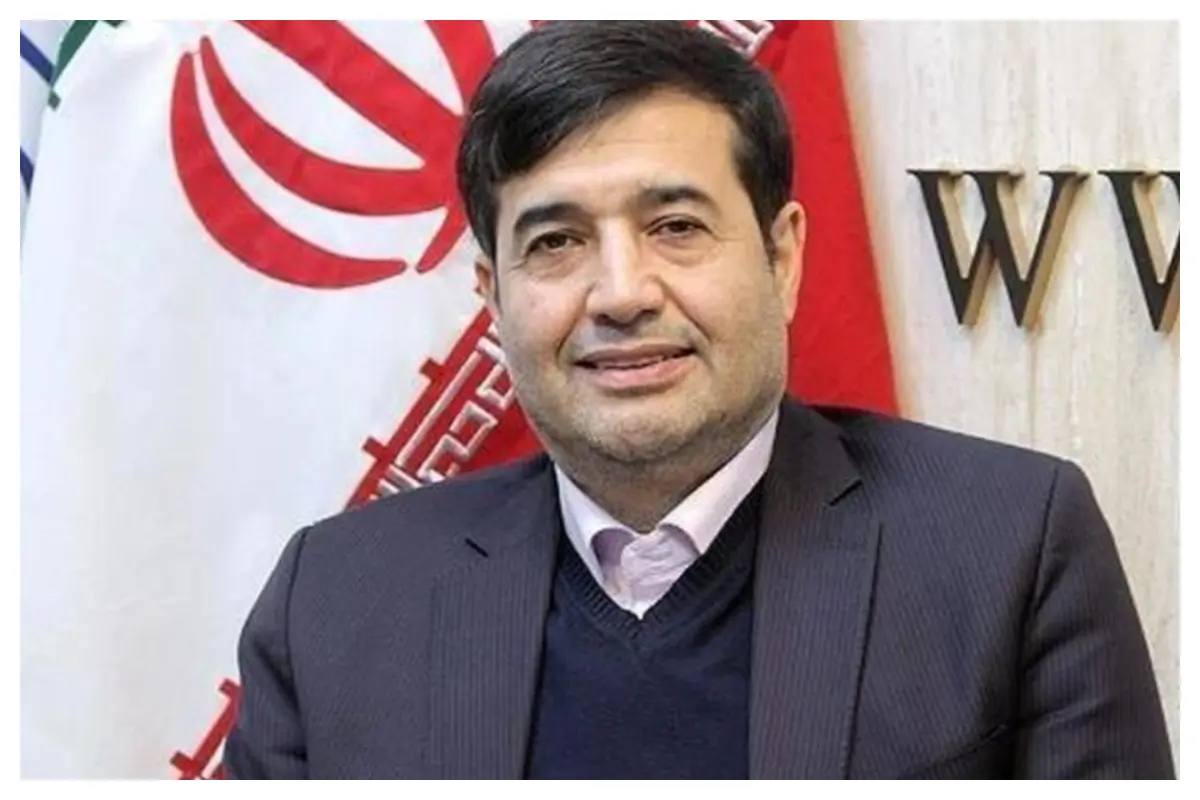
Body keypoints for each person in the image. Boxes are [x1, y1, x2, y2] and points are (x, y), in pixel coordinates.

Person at [223, 20, 1174, 779]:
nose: (622, 293)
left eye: (676, 226)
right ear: (494, 297)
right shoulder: (335, 600)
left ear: (782, 257)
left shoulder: (1009, 545)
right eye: (556, 243)